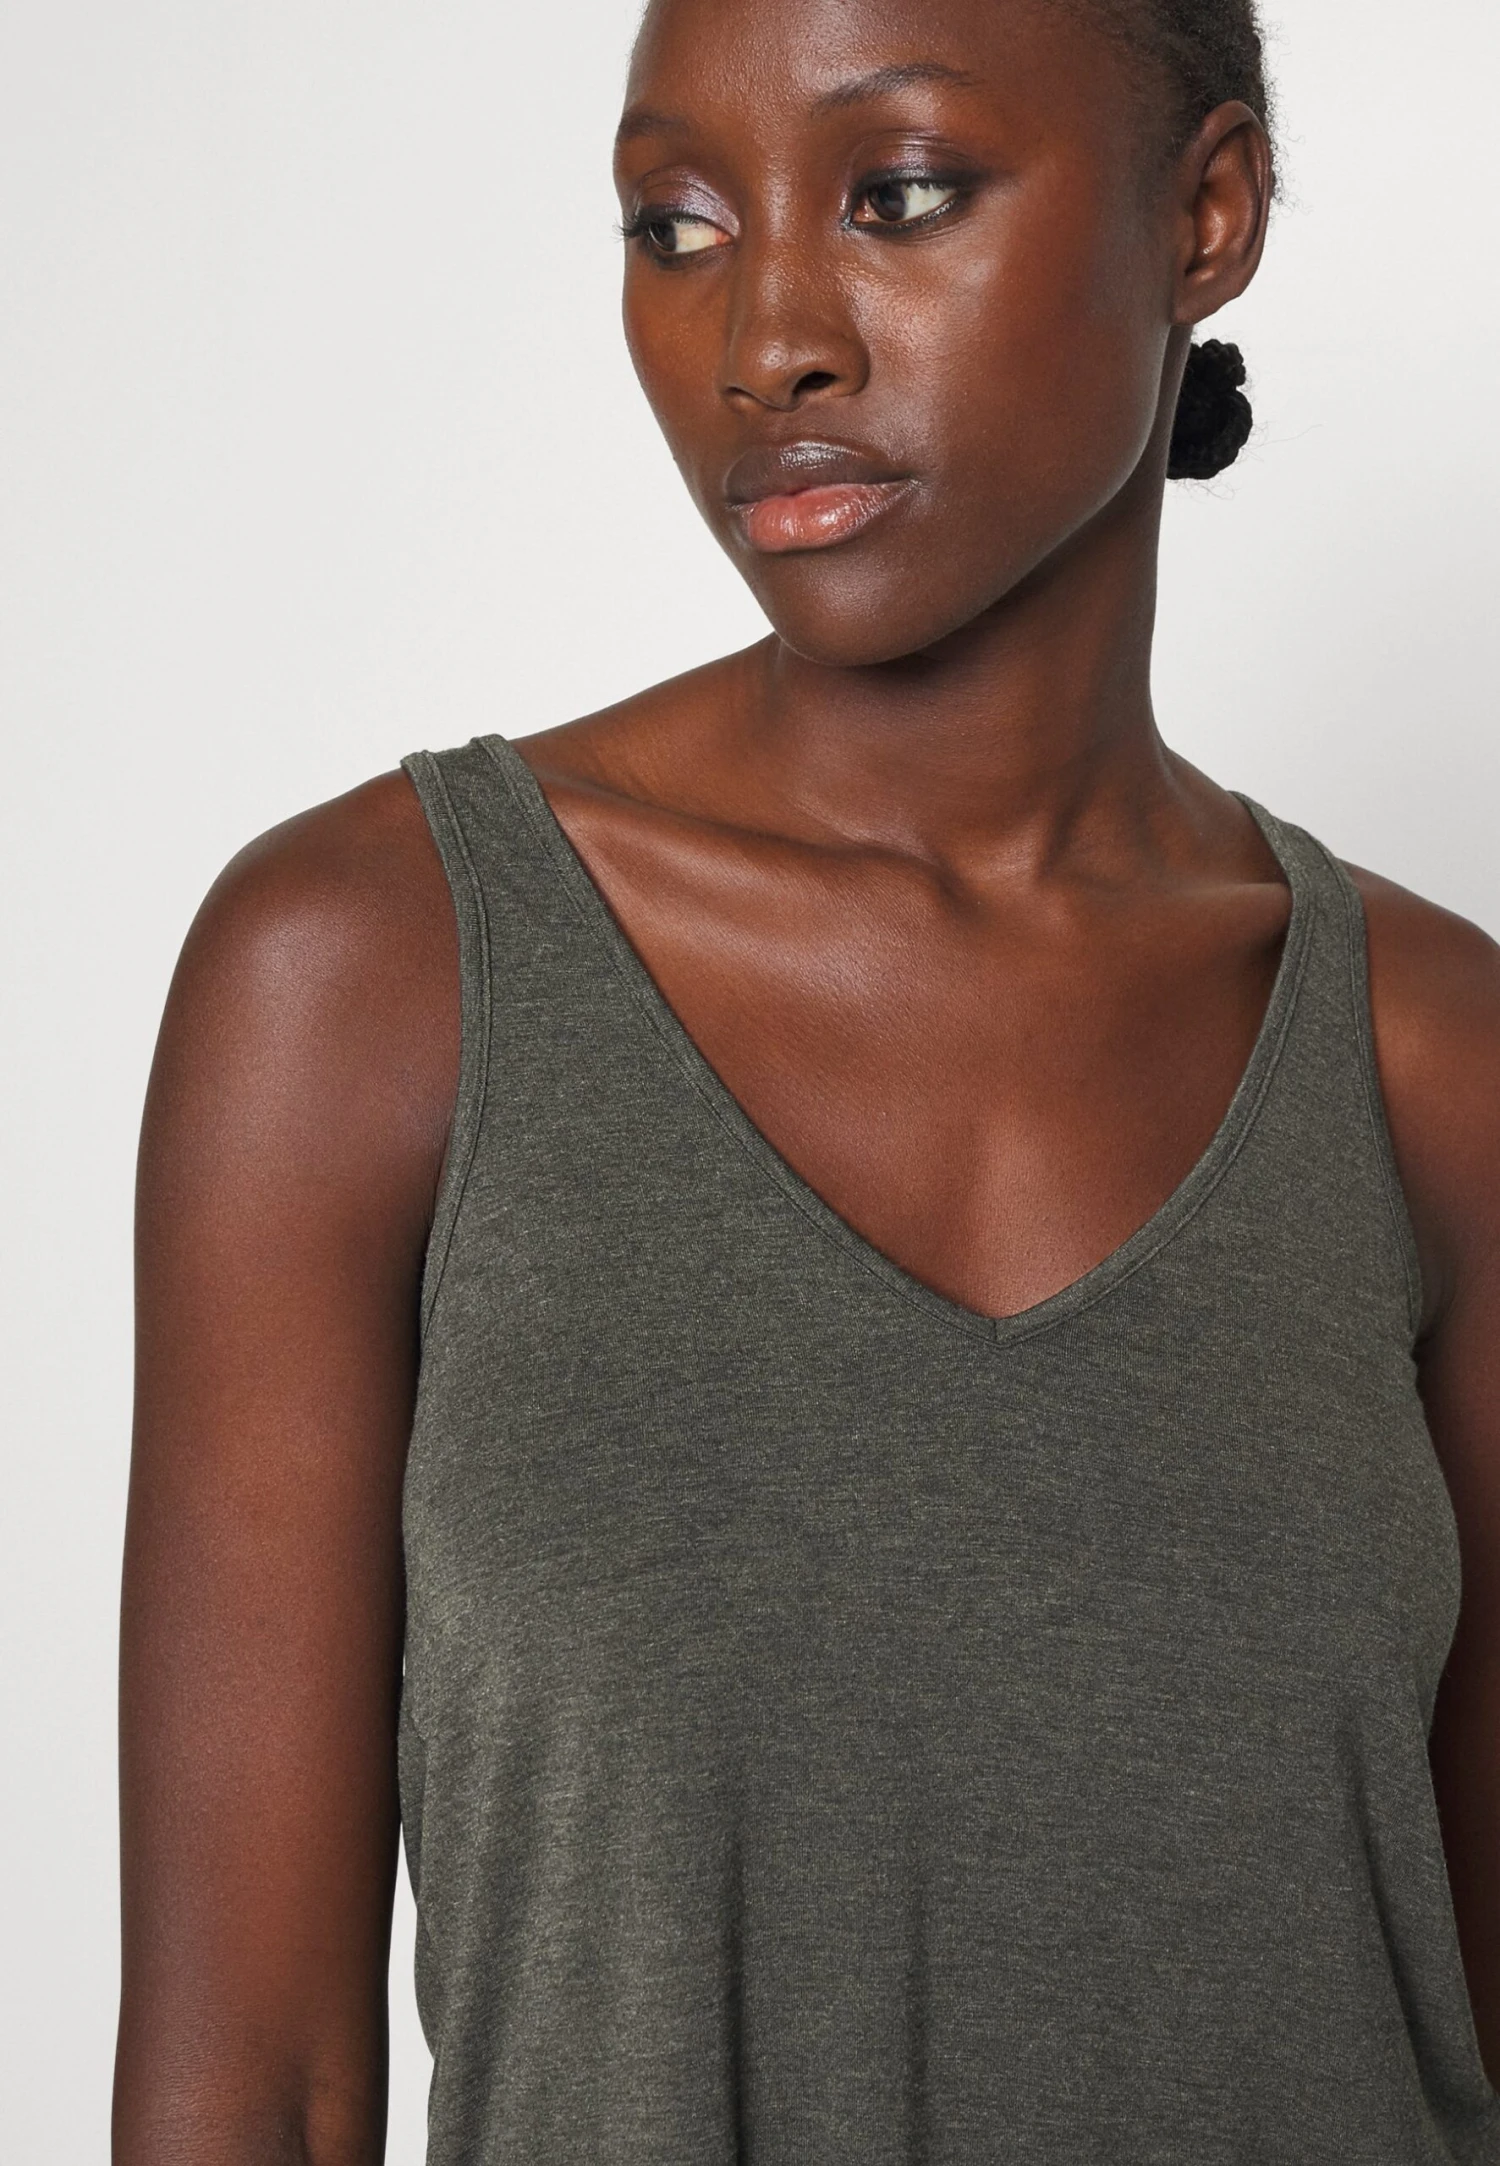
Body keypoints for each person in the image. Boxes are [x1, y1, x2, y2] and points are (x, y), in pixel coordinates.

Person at [113, 0, 1500, 2159]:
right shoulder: (374, 977)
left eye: (900, 195)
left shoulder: (1433, 1063)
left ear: (1209, 213)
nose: (765, 341)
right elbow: (250, 2085)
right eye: (675, 225)